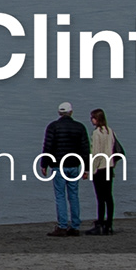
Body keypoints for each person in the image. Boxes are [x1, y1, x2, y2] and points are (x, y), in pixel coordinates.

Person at [40, 99, 91, 236]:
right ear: (71, 112)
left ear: (59, 113)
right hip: (74, 165)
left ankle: (62, 226)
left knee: (60, 196)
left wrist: (44, 164)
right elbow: (85, 149)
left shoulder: (53, 127)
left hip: (58, 166)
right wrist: (86, 168)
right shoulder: (80, 127)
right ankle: (75, 226)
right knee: (74, 196)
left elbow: (48, 147)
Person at [87, 108, 126, 235]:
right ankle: (109, 224)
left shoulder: (96, 134)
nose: (91, 120)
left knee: (100, 198)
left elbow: (96, 154)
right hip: (110, 167)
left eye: (92, 117)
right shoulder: (110, 132)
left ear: (97, 119)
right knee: (109, 197)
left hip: (100, 169)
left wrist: (91, 170)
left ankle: (100, 224)